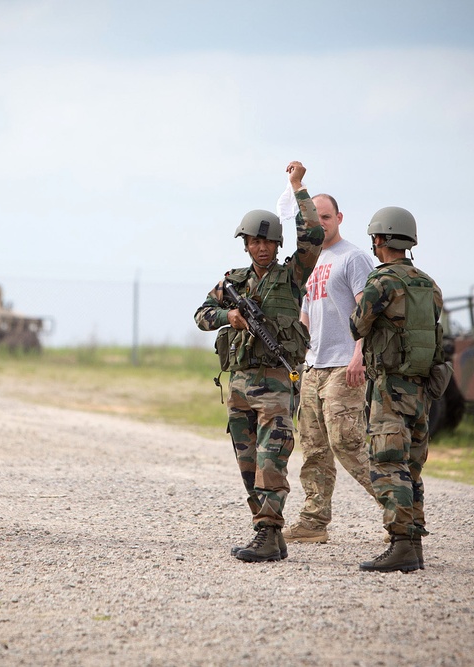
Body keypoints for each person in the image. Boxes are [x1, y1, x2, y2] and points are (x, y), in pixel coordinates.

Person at [195, 161, 323, 562]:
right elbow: (201, 315)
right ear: (245, 244)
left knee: (272, 461)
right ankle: (267, 531)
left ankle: (268, 535)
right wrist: (228, 316)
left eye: (267, 242)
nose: (261, 247)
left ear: (277, 245)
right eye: (254, 241)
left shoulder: (293, 277)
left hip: (277, 383)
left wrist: (298, 188)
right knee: (248, 464)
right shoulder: (231, 282)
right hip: (239, 387)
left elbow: (314, 235)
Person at [275, 188, 379, 544]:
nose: (320, 223)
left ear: (339, 219)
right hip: (313, 365)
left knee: (347, 443)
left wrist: (359, 355)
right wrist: (294, 355)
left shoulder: (353, 258)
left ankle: (401, 511)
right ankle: (313, 521)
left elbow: (369, 313)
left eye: (326, 217)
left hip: (343, 365)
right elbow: (306, 317)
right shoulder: (311, 261)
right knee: (314, 447)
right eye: (313, 218)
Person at [350, 206, 444, 573]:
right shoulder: (429, 285)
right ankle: (414, 543)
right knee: (411, 467)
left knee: (388, 464)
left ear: (380, 239)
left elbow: (358, 325)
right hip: (421, 389)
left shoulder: (382, 283)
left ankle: (402, 544)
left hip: (389, 388)